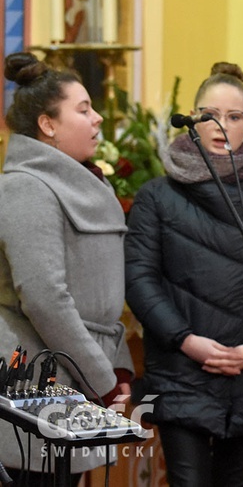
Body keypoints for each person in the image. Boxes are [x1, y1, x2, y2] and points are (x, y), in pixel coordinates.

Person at [124, 62, 243, 486]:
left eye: (234, 116)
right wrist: (187, 342)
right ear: (192, 119)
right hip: (180, 368)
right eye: (209, 115)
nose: (221, 125)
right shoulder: (157, 196)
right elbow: (140, 279)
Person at [0, 52, 134, 483]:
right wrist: (103, 377)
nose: (97, 119)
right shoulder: (26, 186)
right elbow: (44, 298)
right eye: (83, 109)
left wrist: (119, 364)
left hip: (73, 369)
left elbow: (101, 298)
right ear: (48, 125)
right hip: (35, 376)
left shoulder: (78, 182)